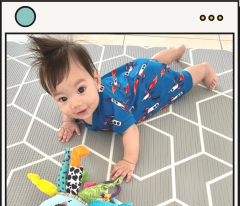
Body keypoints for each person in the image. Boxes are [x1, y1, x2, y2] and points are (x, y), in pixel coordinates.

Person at [28, 35, 218, 183]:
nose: (75, 104)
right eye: (63, 98)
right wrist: (67, 121)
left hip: (149, 86)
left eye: (81, 90)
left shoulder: (113, 108)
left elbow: (131, 130)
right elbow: (68, 106)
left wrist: (128, 160)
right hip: (135, 73)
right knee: (152, 63)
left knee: (178, 82)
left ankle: (202, 68)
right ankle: (175, 53)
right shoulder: (77, 105)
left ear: (95, 80)